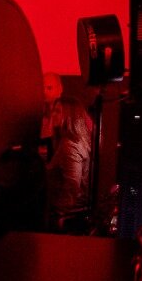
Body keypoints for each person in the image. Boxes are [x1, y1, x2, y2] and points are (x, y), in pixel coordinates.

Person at [40, 72, 95, 233]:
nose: (44, 91)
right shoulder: (68, 139)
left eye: (49, 87)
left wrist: (61, 213)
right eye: (42, 87)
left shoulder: (70, 145)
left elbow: (72, 184)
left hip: (68, 215)